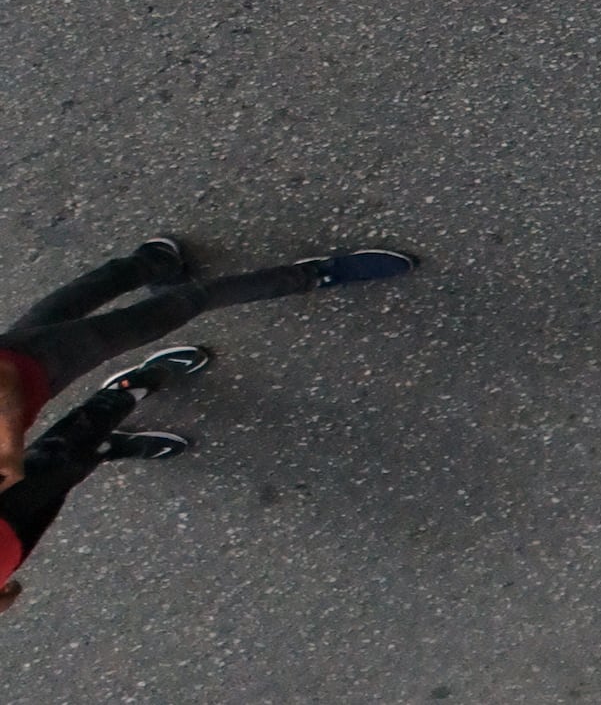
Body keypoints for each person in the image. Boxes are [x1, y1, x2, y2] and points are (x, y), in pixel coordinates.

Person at [0, 239, 418, 610]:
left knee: (174, 308)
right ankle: (151, 264)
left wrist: (7, 445)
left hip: (18, 376)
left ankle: (306, 274)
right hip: (11, 530)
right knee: (55, 326)